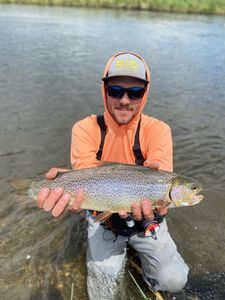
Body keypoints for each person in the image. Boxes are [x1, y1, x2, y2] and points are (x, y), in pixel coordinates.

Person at [37, 51, 189, 299]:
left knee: (174, 280)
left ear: (146, 93)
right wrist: (64, 187)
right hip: (103, 218)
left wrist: (158, 204)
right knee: (102, 292)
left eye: (135, 93)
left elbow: (161, 182)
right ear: (104, 89)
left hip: (146, 219)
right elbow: (85, 176)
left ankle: (149, 275)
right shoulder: (85, 128)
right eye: (116, 91)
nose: (125, 100)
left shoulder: (158, 130)